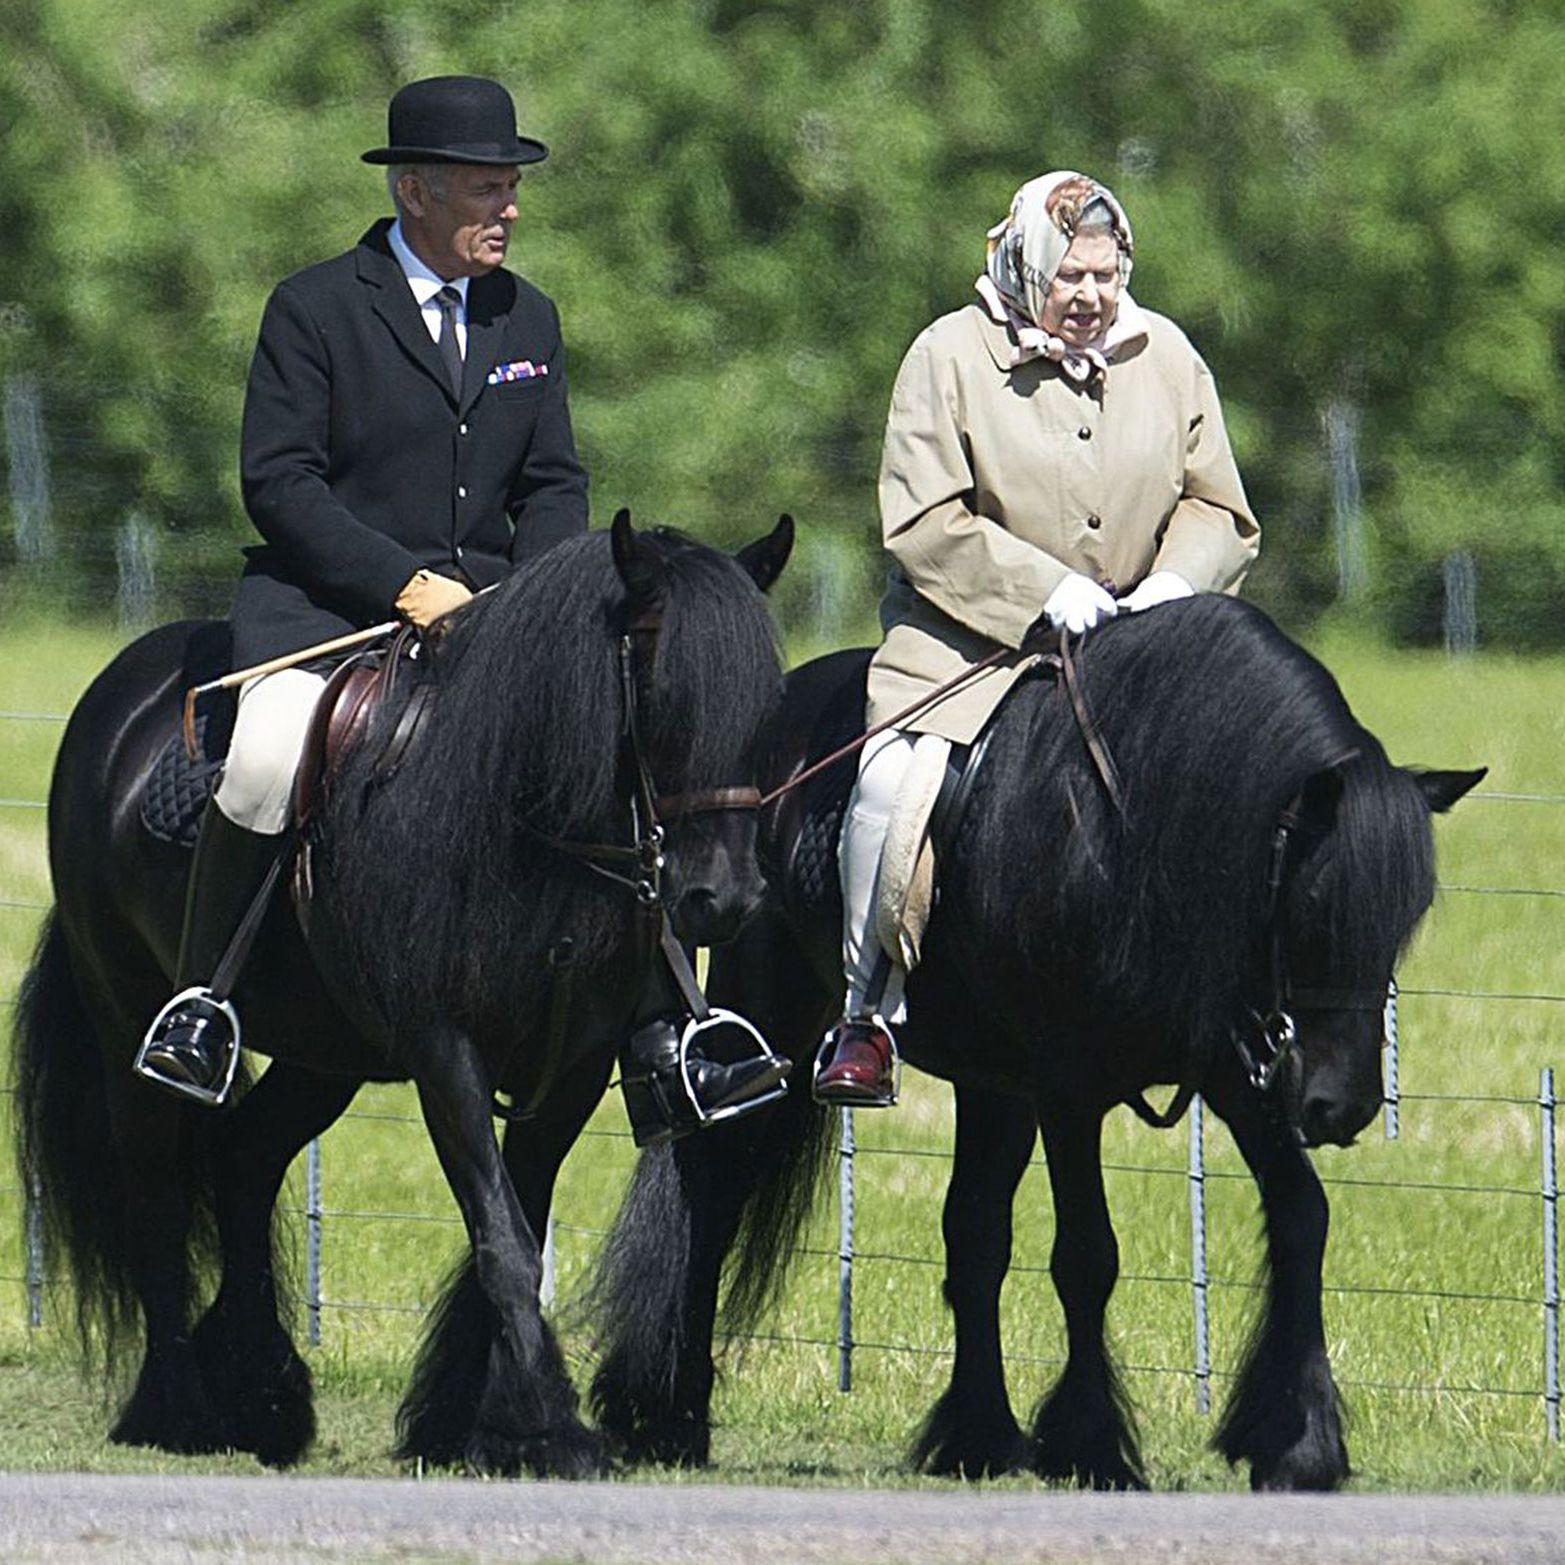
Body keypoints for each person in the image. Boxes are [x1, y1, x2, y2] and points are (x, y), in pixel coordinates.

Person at [139, 77, 780, 1135]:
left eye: (514, 187)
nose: (511, 208)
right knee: (261, 756)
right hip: (330, 612)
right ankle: (204, 1003)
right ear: (415, 190)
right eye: (489, 188)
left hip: (498, 619)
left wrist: (526, 600)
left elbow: (554, 483)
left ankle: (675, 1025)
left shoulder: (527, 315)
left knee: (617, 763)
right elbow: (281, 483)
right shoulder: (314, 308)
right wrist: (403, 585)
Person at [813, 170, 1261, 1107]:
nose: (1092, 297)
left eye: (1106, 274)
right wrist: (1041, 588)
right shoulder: (945, 355)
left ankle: (1248, 1008)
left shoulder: (1168, 355)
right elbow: (923, 521)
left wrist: (1169, 588)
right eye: (1072, 277)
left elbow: (1218, 504)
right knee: (893, 790)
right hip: (968, 648)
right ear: (1025, 264)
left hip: (1141, 648)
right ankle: (866, 1015)